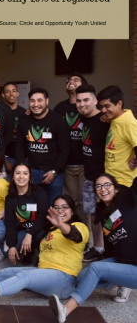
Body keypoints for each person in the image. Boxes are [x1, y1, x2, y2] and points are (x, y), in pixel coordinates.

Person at [0, 195, 88, 303]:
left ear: (72, 211)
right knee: (8, 272)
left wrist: (61, 224)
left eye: (65, 207)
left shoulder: (79, 226)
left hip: (64, 279)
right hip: (46, 272)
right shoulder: (51, 232)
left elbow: (73, 235)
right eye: (57, 208)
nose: (60, 211)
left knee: (24, 276)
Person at [49, 174, 137, 322]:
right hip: (121, 262)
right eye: (99, 186)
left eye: (107, 185)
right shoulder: (103, 213)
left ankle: (65, 310)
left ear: (116, 189)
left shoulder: (128, 199)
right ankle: (117, 281)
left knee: (96, 268)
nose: (103, 189)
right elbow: (110, 247)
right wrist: (112, 273)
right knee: (83, 276)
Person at [16, 88, 70, 205]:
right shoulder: (24, 120)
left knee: (53, 207)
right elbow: (19, 146)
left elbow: (64, 150)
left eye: (39, 100)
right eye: (32, 101)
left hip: (54, 173)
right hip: (32, 171)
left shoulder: (58, 121)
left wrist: (54, 171)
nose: (36, 104)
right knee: (31, 206)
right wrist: (22, 170)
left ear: (47, 101)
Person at [76, 85, 108, 262]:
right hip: (89, 175)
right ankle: (98, 248)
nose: (82, 104)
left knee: (110, 214)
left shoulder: (105, 120)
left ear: (95, 100)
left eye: (86, 100)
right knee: (92, 213)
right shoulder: (83, 119)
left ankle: (112, 251)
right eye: (79, 101)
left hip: (105, 177)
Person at [54, 73, 88, 224]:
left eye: (76, 80)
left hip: (86, 164)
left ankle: (90, 238)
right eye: (69, 80)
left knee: (87, 202)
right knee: (74, 202)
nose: (70, 82)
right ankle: (77, 232)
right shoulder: (60, 107)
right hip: (67, 164)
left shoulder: (90, 107)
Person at [3, 163, 48, 266]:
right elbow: (10, 223)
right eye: (18, 173)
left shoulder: (39, 192)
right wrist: (12, 245)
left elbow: (42, 217)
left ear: (30, 177)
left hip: (40, 228)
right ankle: (28, 252)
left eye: (25, 173)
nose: (21, 176)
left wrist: (30, 234)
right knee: (8, 251)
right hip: (23, 229)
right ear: (13, 177)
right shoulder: (10, 198)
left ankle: (42, 255)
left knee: (38, 236)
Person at [97, 85, 137, 190]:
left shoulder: (129, 123)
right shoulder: (115, 118)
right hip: (111, 181)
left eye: (107, 106)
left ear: (119, 104)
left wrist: (135, 160)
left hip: (124, 183)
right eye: (101, 107)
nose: (103, 110)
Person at [0, 82, 26, 179]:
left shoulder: (24, 113)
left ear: (17, 94)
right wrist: (4, 160)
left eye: (13, 91)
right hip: (6, 157)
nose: (11, 94)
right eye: (7, 92)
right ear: (3, 95)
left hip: (23, 157)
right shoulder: (0, 112)